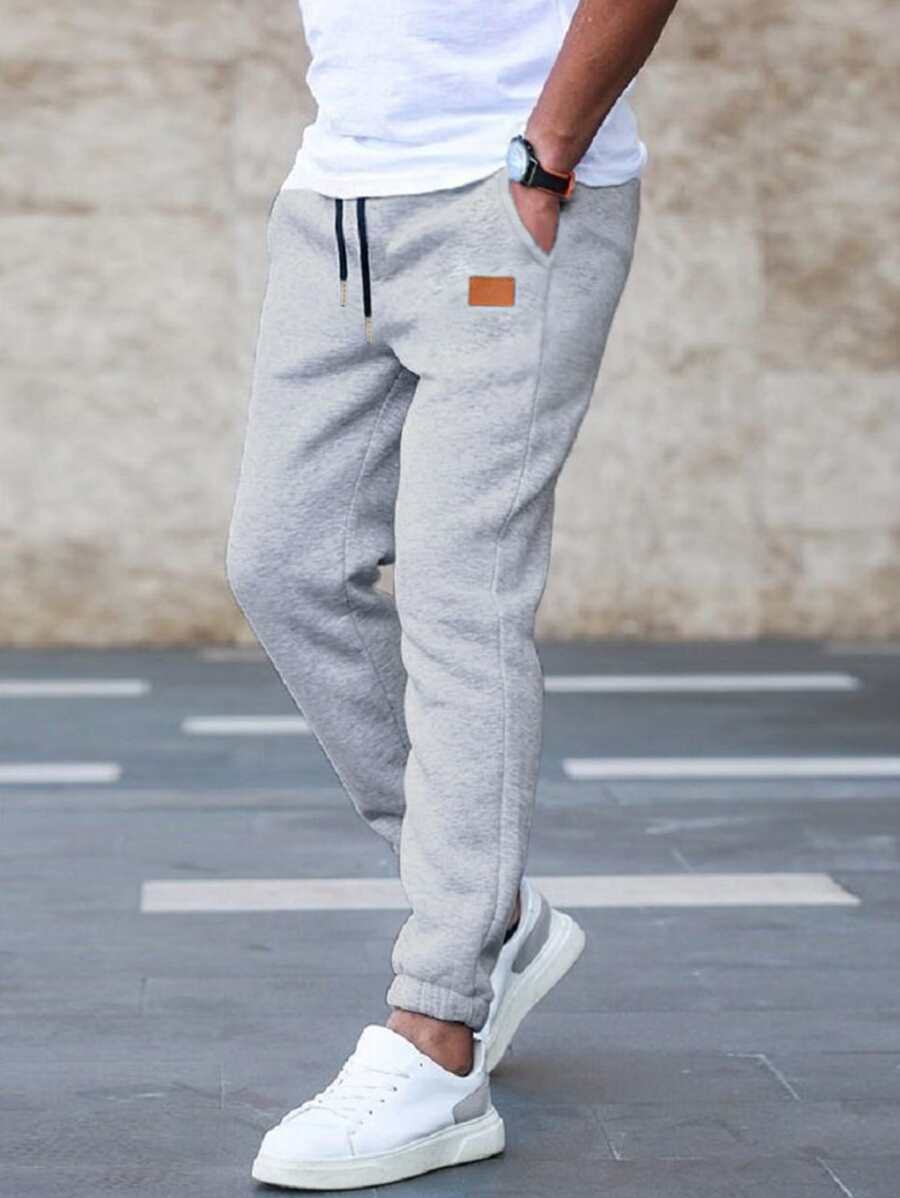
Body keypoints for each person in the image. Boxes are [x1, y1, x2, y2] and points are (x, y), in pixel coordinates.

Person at [226, 0, 678, 1188]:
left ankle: (440, 1026)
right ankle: (490, 910)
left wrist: (550, 152)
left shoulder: (531, 175)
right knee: (282, 563)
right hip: (333, 206)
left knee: (459, 593)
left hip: (506, 196)